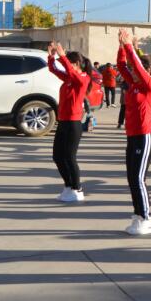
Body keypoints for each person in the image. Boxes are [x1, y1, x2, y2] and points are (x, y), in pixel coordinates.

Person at [117, 29, 151, 235]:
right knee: (131, 177)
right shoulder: (134, 83)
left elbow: (136, 66)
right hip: (132, 136)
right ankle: (137, 214)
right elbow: (122, 66)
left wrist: (130, 46)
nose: (132, 72)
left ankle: (146, 217)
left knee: (138, 178)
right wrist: (121, 47)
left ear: (146, 70)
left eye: (136, 70)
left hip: (145, 137)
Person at [47, 42, 91, 203]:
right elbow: (54, 69)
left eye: (70, 64)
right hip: (63, 121)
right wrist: (52, 57)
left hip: (74, 123)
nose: (67, 67)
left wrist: (63, 56)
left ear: (77, 63)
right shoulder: (69, 78)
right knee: (57, 156)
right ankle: (68, 185)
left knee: (69, 156)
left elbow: (73, 73)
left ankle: (77, 188)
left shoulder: (83, 78)